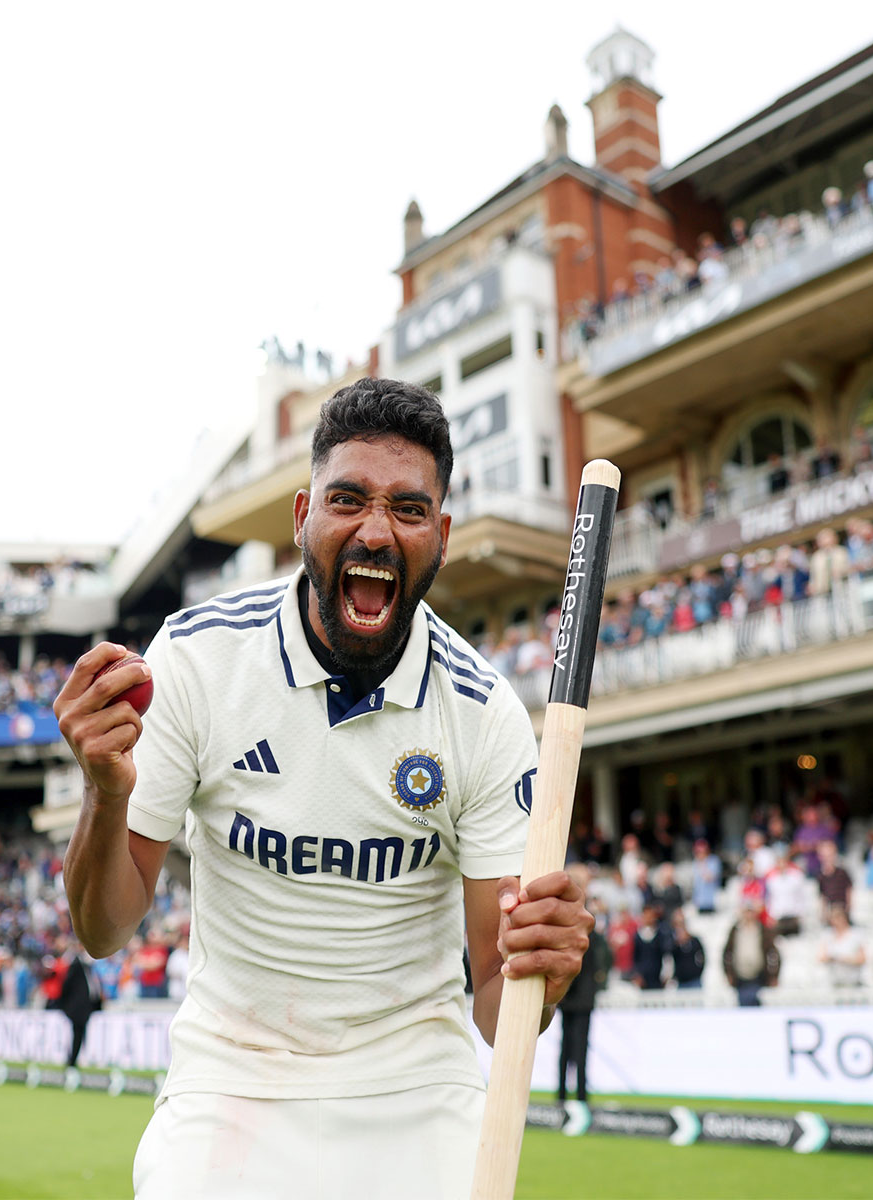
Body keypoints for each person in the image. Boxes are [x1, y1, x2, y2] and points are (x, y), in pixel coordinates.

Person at [55, 379, 590, 1198]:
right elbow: (102, 930)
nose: (376, 530)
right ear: (303, 514)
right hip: (234, 1073)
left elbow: (494, 1002)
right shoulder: (197, 660)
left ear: (440, 535)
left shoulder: (482, 713)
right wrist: (104, 794)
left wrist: (539, 977)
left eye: (408, 510)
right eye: (348, 499)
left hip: (416, 1086)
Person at [556, 878, 609, 1107]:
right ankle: (578, 1096)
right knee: (576, 1050)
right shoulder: (593, 937)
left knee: (568, 1050)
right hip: (580, 1000)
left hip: (571, 998)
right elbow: (603, 963)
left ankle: (565, 1096)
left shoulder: (569, 935)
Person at [722, 897, 779, 1006]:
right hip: (740, 977)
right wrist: (728, 973)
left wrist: (774, 975)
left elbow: (774, 953)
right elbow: (726, 953)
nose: (749, 915)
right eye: (746, 912)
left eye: (751, 912)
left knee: (755, 1004)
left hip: (758, 976)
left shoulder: (763, 930)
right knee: (743, 1004)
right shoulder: (735, 930)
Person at [58, 941, 104, 1066]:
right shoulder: (77, 964)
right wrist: (66, 1005)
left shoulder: (88, 966)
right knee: (77, 1034)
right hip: (78, 1008)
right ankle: (72, 1061)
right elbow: (66, 986)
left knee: (80, 1034)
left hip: (88, 1006)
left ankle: (75, 1059)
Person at [817, 906, 866, 988]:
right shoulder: (827, 935)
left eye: (838, 918)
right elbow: (821, 957)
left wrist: (845, 959)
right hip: (834, 982)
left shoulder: (855, 935)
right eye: (833, 918)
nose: (835, 921)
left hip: (852, 982)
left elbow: (862, 959)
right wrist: (832, 958)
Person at [668, 910, 705, 990]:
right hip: (681, 982)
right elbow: (669, 954)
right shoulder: (672, 941)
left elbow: (701, 958)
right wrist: (678, 943)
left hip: (694, 980)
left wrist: (697, 972)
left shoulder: (694, 941)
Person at [689, 839, 721, 914]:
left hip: (711, 901)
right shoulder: (695, 863)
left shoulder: (714, 861)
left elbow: (709, 878)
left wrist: (703, 864)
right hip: (699, 901)